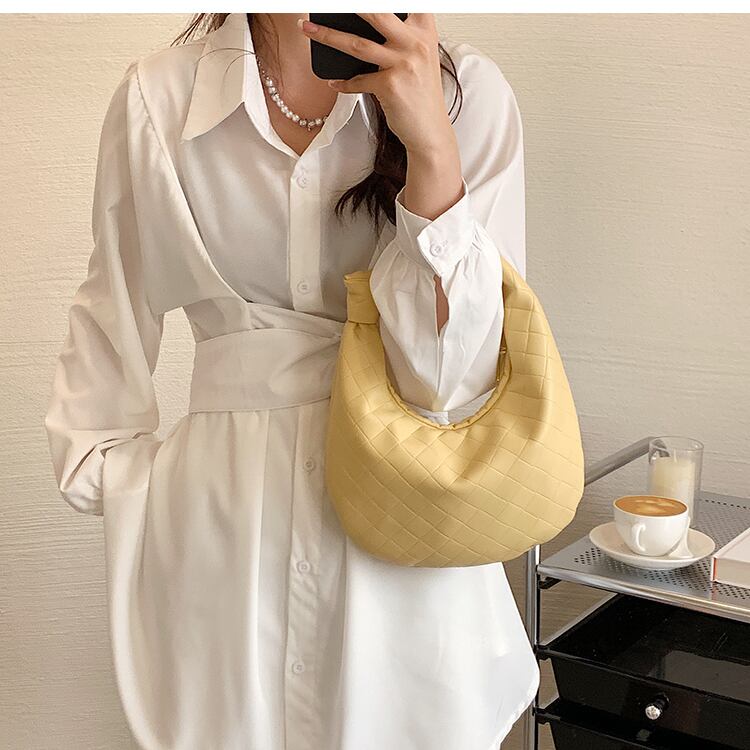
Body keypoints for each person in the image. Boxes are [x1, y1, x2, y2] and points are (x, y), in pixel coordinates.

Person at [44, 12, 540, 750]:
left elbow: (457, 385)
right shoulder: (158, 99)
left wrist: (433, 152)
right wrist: (143, 497)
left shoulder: (467, 95)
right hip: (219, 566)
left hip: (407, 568)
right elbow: (107, 327)